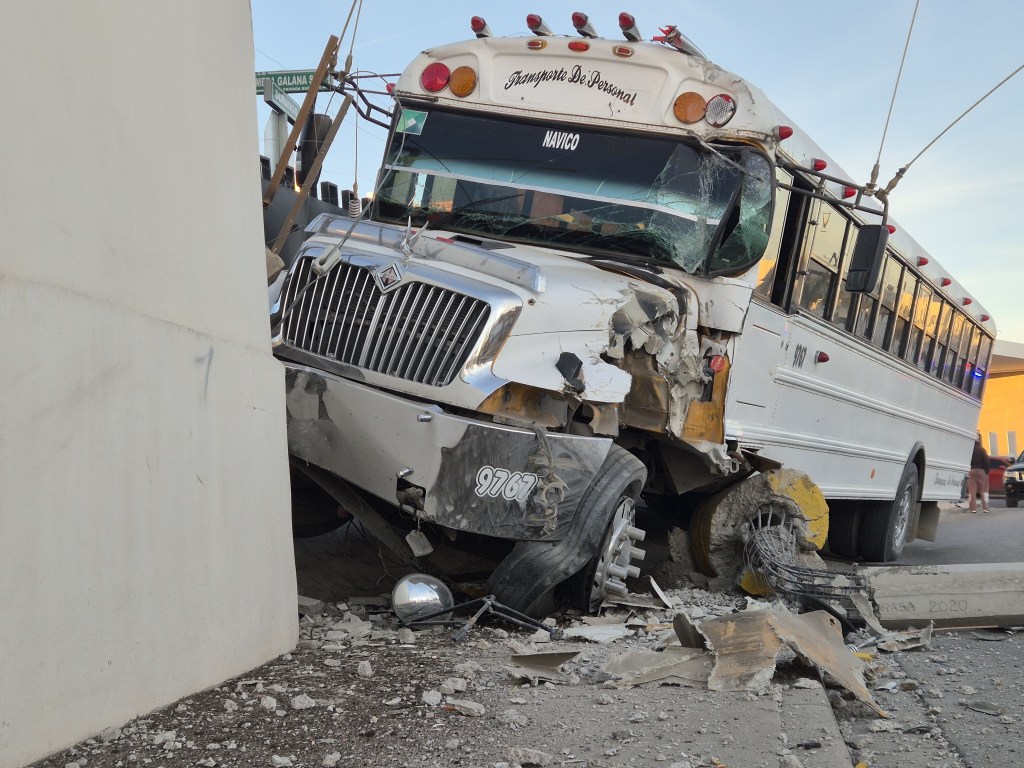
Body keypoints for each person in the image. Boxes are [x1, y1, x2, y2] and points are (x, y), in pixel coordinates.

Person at [967, 436, 990, 513]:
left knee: (972, 491)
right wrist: (987, 471)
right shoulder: (982, 450)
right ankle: (985, 508)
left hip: (971, 470)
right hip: (981, 471)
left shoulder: (969, 450)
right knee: (984, 490)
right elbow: (986, 462)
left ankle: (973, 509)